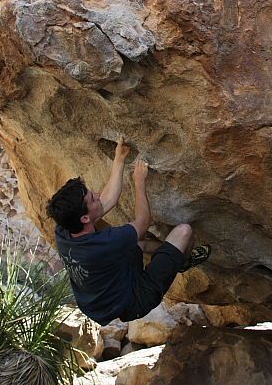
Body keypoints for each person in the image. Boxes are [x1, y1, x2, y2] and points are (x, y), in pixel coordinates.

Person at [47, 137, 211, 326]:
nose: (97, 197)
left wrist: (119, 159)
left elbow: (107, 200)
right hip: (136, 299)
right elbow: (142, 222)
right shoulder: (104, 244)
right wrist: (139, 182)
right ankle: (182, 261)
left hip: (102, 300)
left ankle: (172, 258)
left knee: (137, 245)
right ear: (84, 218)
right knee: (184, 231)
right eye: (93, 199)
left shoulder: (65, 229)